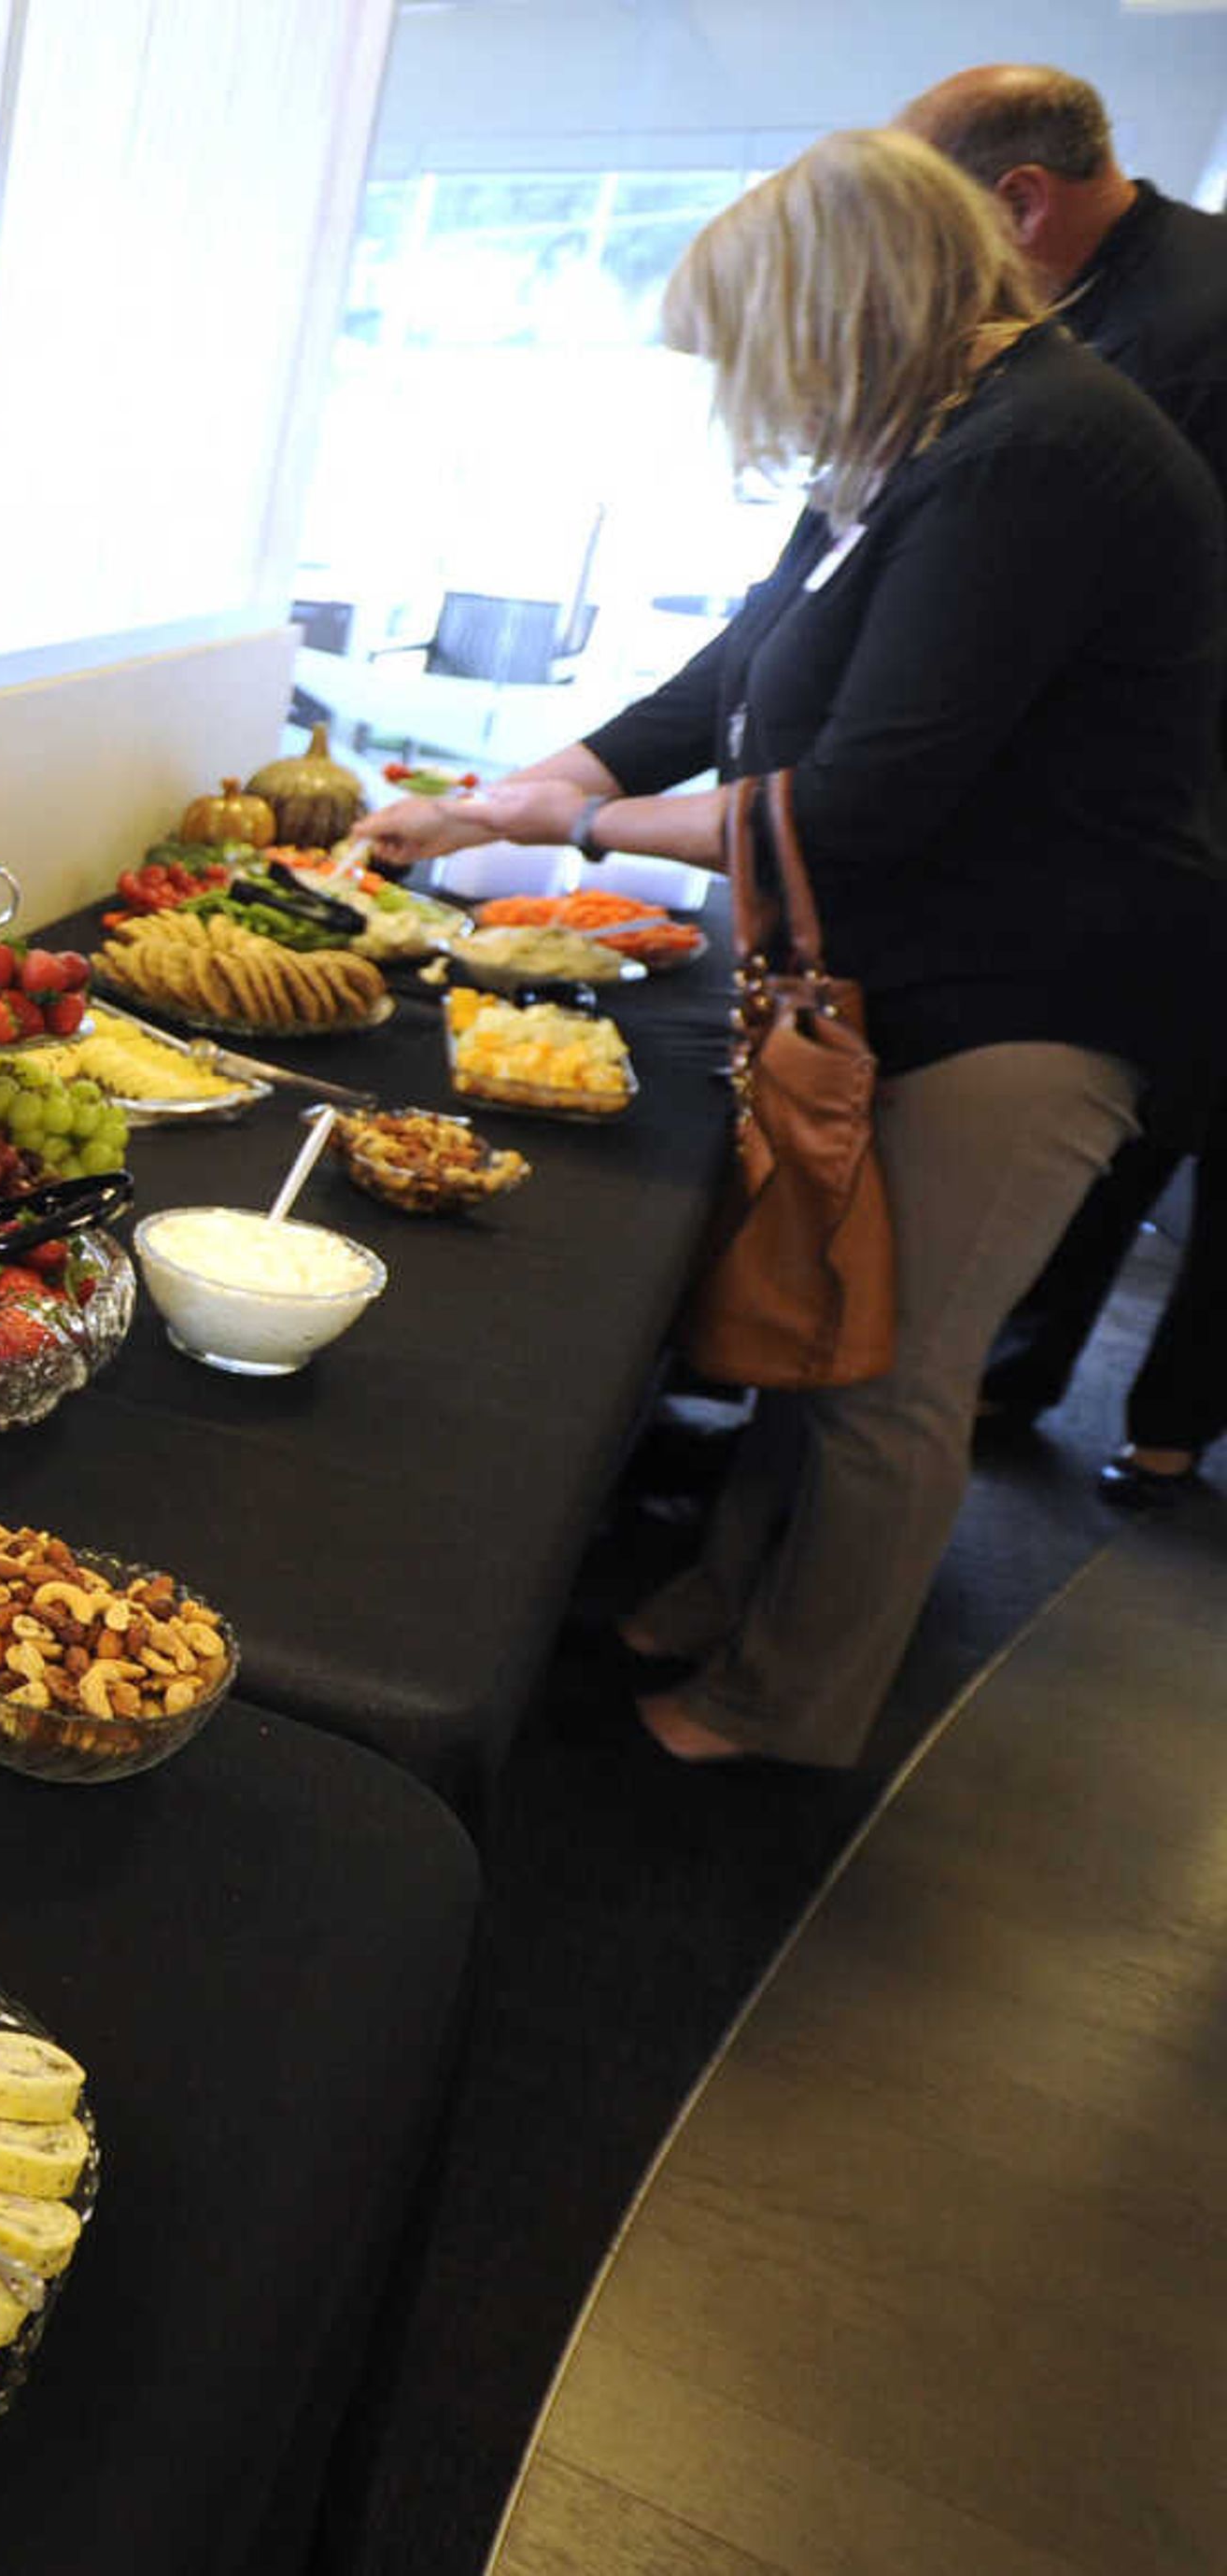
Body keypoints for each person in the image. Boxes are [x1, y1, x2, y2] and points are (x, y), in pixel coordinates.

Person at [360, 130, 1227, 1769]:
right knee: (825, 1318)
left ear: (839, 310)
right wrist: (536, 787)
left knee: (893, 1374)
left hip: (1036, 992)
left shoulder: (1038, 453)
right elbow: (733, 672)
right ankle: (729, 1592)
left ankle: (786, 1703)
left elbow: (861, 799)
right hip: (925, 964)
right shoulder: (929, 438)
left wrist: (569, 835)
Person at [899, 65, 1227, 1507]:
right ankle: (1020, 1380)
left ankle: (1163, 1430)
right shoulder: (1119, 306)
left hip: (1168, 832)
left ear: (1019, 202)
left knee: (1145, 1126)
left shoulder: (1178, 335)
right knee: (1102, 1151)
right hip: (1143, 829)